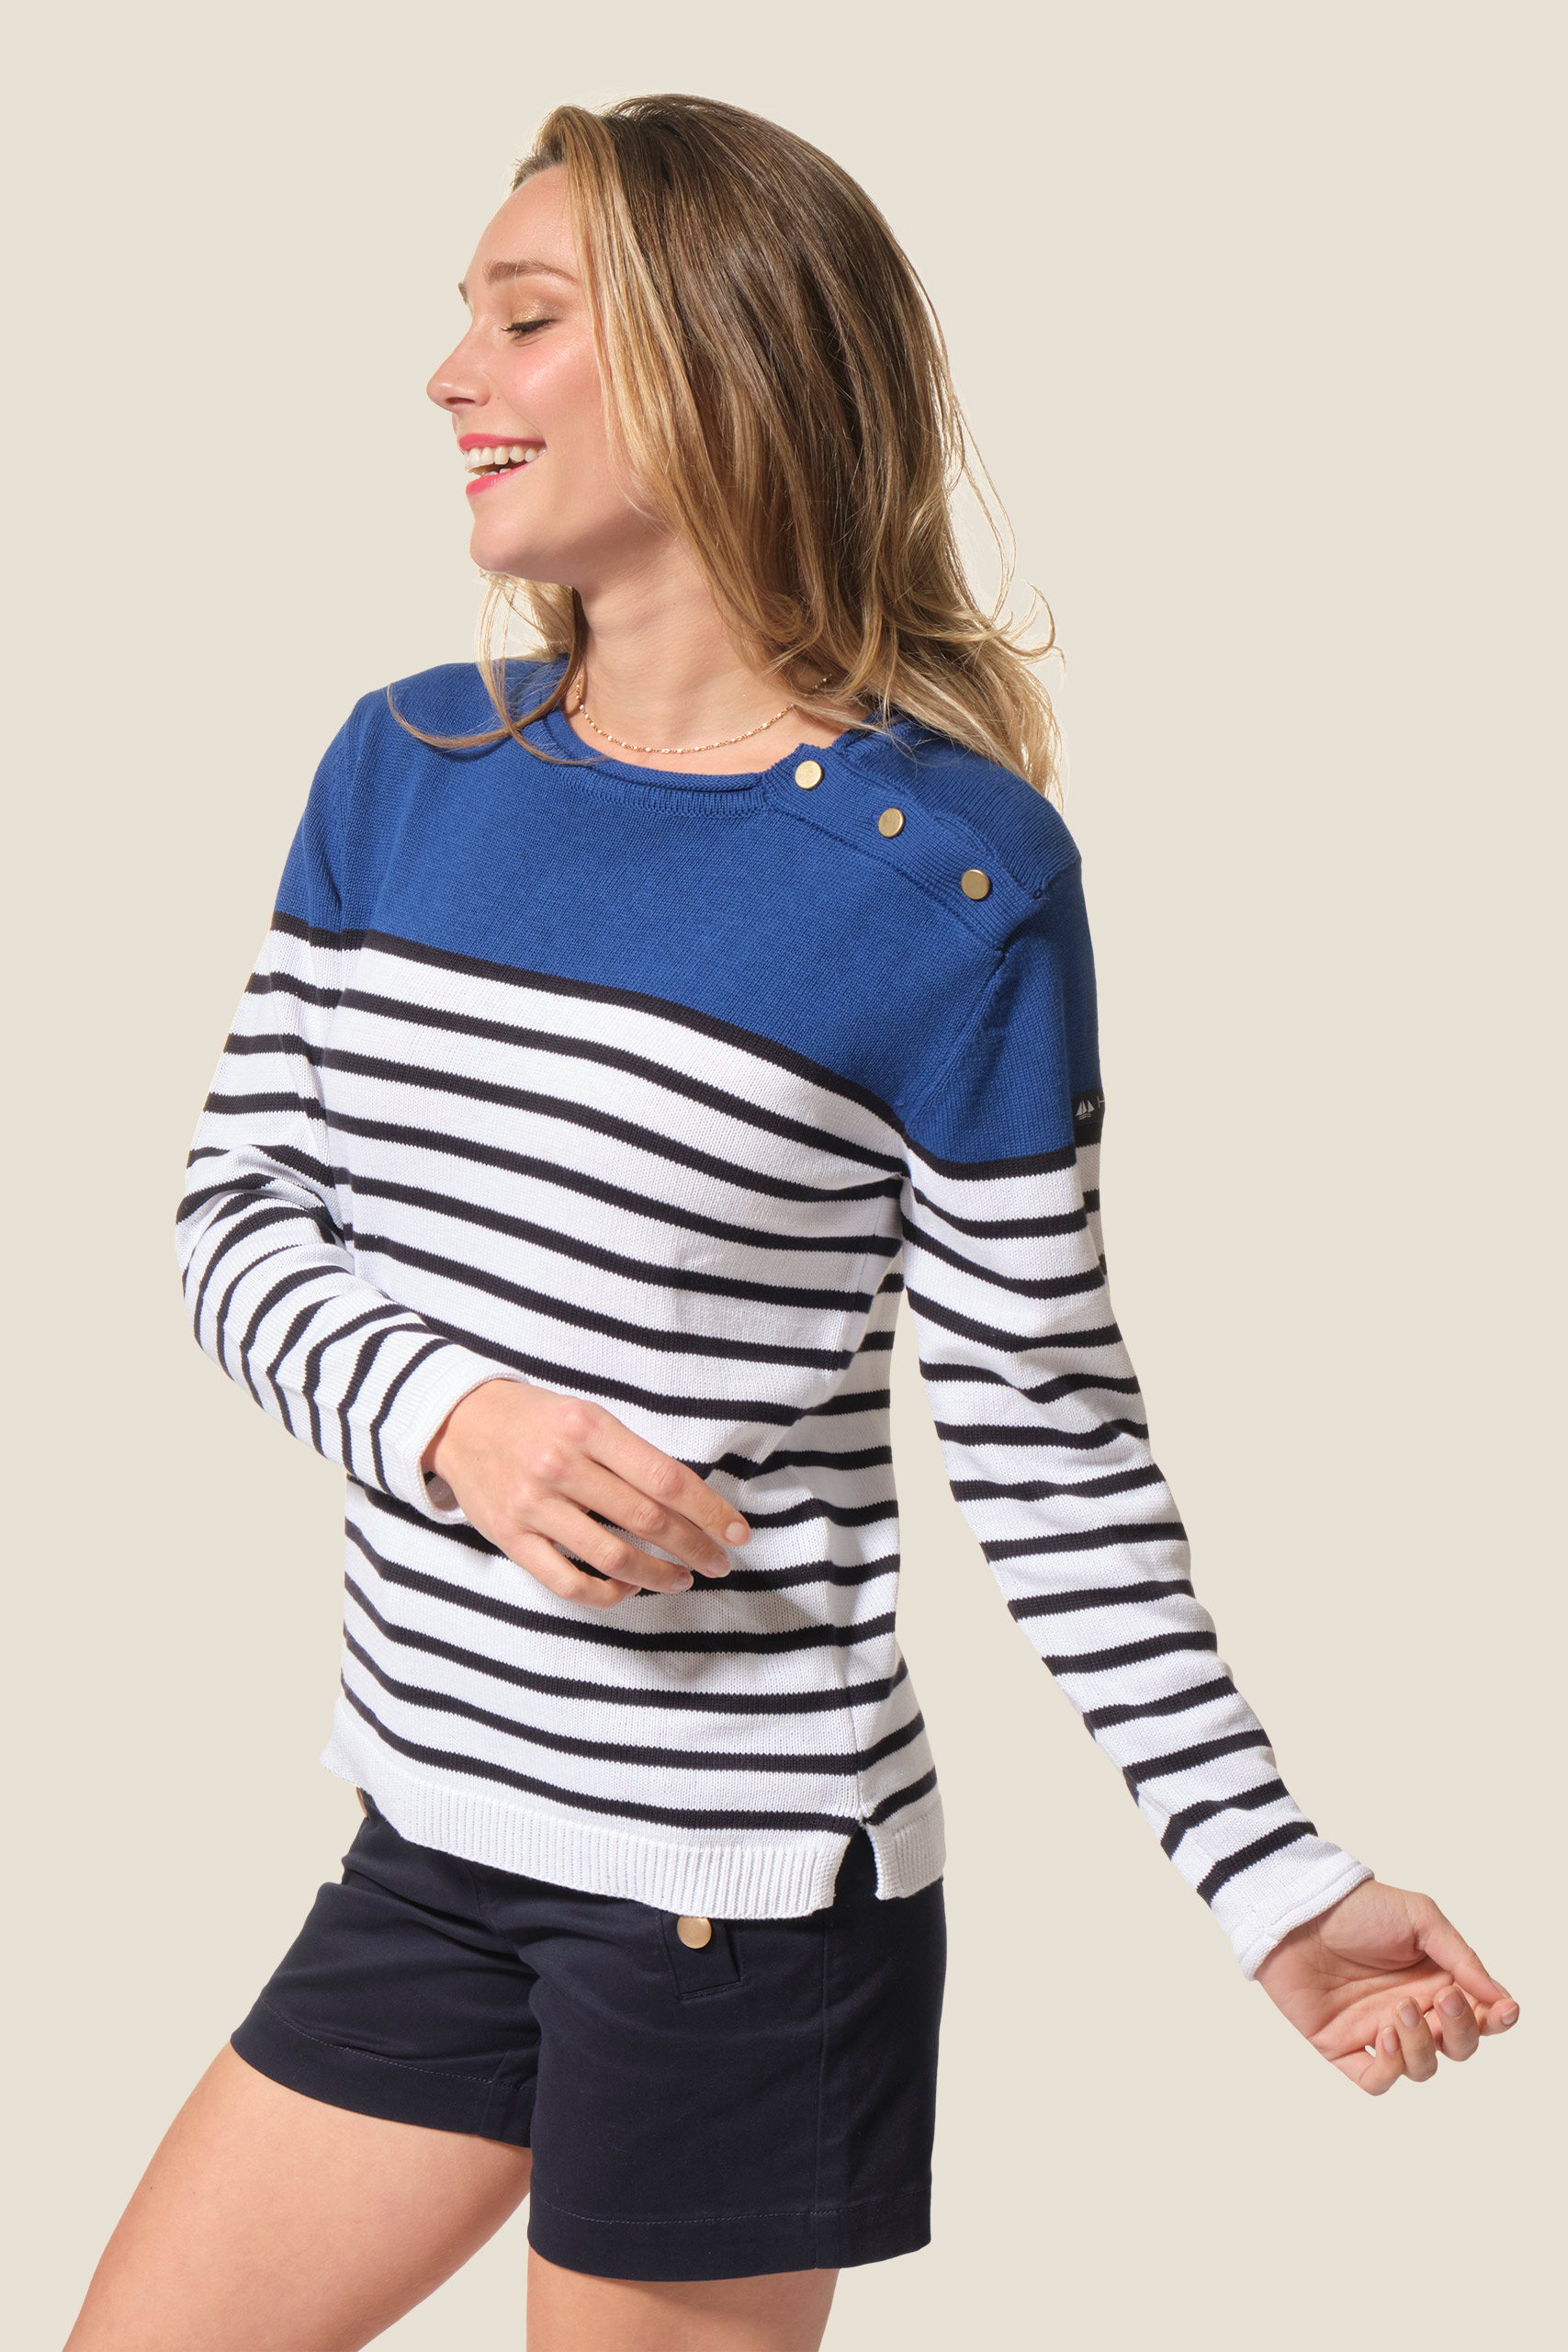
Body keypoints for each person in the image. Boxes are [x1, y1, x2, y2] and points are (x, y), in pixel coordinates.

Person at [66, 92, 1518, 2352]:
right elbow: (232, 1210)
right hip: (433, 1840)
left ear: (718, 362)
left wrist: (1268, 1877)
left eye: (523, 318)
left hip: (730, 1915)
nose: (448, 372)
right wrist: (455, 1418)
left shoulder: (952, 883)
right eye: (463, 315)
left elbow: (1042, 1437)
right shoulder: (402, 768)